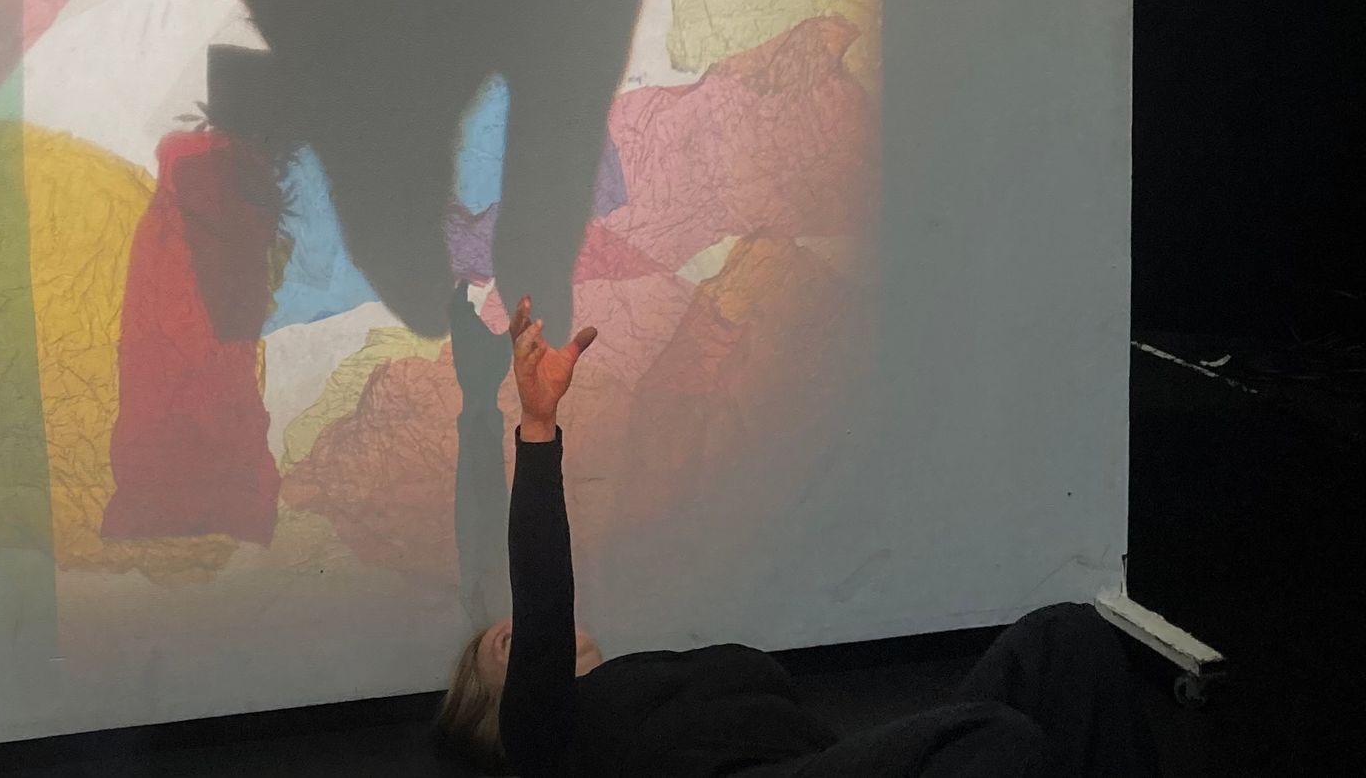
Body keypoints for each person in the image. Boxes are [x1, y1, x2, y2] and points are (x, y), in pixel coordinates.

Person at [436, 297, 1160, 777]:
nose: (523, 633)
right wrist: (537, 425)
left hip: (826, 761)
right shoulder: (549, 747)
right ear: (497, 716)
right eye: (506, 647)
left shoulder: (647, 681)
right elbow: (543, 597)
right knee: (997, 745)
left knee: (1067, 640)